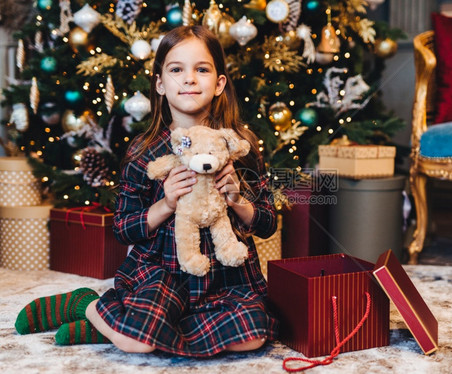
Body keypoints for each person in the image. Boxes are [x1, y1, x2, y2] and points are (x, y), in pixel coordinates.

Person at [14, 25, 279, 357]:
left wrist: (238, 201)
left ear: (219, 83)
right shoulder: (144, 151)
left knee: (252, 337)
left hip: (224, 277)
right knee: (138, 343)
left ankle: (118, 325)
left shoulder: (240, 147)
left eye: (202, 69)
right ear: (160, 84)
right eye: (176, 69)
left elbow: (269, 223)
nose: (189, 79)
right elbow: (123, 228)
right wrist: (166, 203)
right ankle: (89, 307)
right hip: (161, 271)